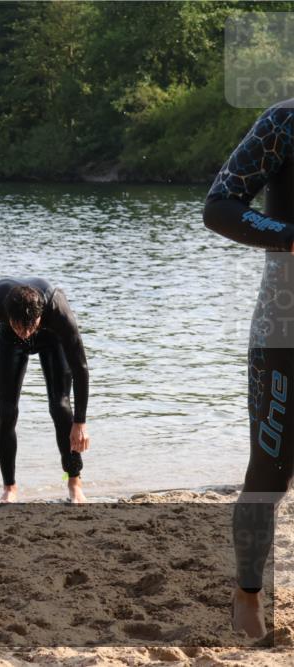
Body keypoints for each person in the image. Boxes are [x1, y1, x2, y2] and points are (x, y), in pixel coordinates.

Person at [204, 99, 293, 639]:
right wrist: (288, 235)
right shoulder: (285, 122)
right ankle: (247, 593)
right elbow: (220, 206)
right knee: (270, 470)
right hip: (285, 329)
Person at [0, 278, 90, 503]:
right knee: (6, 412)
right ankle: (10, 488)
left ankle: (74, 482)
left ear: (39, 316)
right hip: (8, 341)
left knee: (61, 407)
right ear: (7, 315)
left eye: (29, 327)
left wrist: (80, 422)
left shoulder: (58, 311)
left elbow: (80, 367)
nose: (25, 334)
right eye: (19, 327)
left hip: (51, 338)